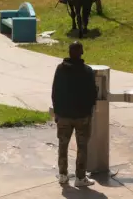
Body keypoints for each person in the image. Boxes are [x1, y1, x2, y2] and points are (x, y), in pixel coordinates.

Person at [51, 42, 97, 187]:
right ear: (81, 52)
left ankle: (63, 175)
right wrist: (89, 111)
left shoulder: (60, 69)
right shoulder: (88, 71)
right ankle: (80, 177)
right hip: (82, 116)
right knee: (82, 147)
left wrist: (57, 112)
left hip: (64, 115)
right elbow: (92, 95)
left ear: (69, 52)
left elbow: (55, 92)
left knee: (62, 145)